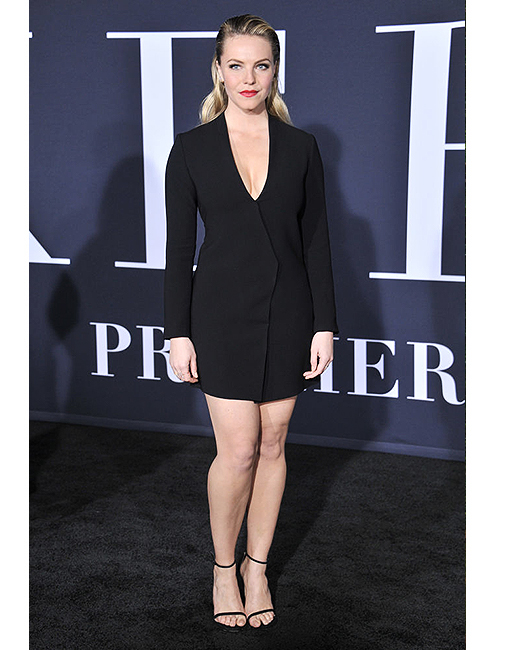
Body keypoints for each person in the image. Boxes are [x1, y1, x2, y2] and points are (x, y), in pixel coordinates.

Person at [163, 14, 338, 630]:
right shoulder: (190, 149)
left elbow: (316, 241)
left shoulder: (302, 147)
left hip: (290, 311)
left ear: (275, 70)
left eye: (260, 65)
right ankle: (223, 568)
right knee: (237, 450)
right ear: (217, 70)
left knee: (273, 443)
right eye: (235, 65)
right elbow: (177, 251)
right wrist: (177, 332)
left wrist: (324, 324)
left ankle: (257, 567)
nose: (248, 77)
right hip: (219, 314)